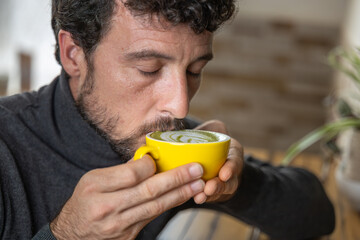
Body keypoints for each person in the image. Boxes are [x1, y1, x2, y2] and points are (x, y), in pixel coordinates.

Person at [0, 0, 335, 239]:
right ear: (74, 54)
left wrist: (234, 183)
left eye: (195, 70)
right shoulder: (7, 150)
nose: (179, 105)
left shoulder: (171, 144)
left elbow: (318, 214)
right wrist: (66, 235)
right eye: (149, 69)